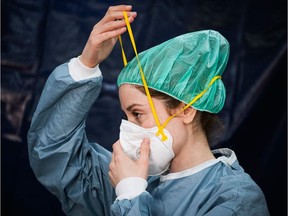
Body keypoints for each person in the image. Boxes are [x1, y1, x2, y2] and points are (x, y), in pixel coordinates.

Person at [27, 4, 270, 216]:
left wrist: (131, 198)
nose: (128, 128)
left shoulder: (236, 200)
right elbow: (52, 152)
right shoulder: (124, 177)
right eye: (126, 116)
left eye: (137, 114)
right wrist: (86, 65)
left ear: (186, 110)